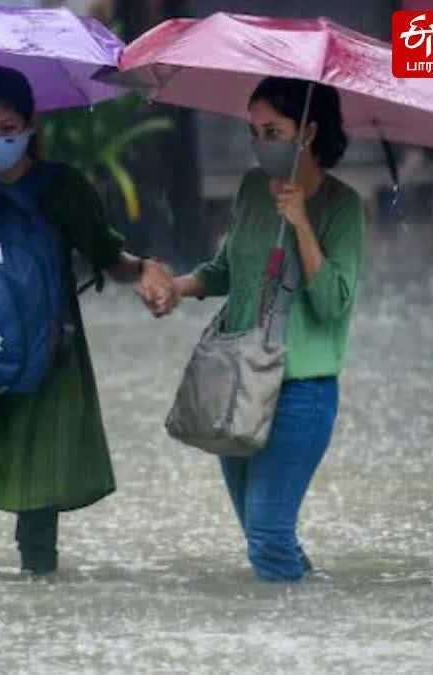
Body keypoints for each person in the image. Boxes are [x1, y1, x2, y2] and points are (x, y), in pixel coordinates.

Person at [0, 66, 173, 577]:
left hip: (47, 366)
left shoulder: (64, 188)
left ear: (31, 125)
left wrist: (147, 268)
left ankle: (39, 615)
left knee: (37, 529)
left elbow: (109, 260)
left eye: (7, 128)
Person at [147, 77, 364, 582]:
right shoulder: (250, 188)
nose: (259, 143)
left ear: (307, 131)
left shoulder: (343, 206)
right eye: (253, 131)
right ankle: (313, 616)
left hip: (301, 391)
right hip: (238, 381)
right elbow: (225, 270)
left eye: (273, 132)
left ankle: (297, 628)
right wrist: (175, 288)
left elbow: (332, 304)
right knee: (263, 536)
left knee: (268, 534)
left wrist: (302, 223)